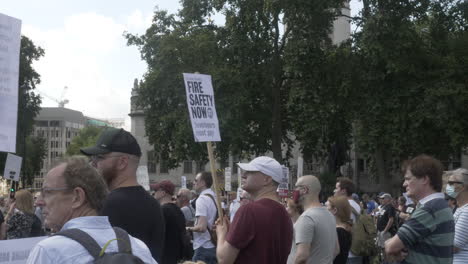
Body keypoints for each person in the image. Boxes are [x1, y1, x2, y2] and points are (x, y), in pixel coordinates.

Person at [26, 156, 157, 264]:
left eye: (47, 192)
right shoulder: (138, 247)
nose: (39, 202)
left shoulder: (49, 251)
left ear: (77, 197)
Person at [81, 128, 165, 262]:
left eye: (99, 157)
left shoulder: (110, 204)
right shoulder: (153, 203)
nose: (93, 163)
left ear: (122, 162)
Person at [216, 156, 293, 264]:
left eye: (250, 171)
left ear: (267, 179)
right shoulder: (284, 213)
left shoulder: (249, 210)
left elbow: (224, 259)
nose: (243, 175)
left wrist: (221, 234)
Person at [385, 155, 454, 264]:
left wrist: (389, 243)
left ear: (424, 179)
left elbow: (391, 247)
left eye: (408, 178)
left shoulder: (430, 209)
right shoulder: (440, 205)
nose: (404, 184)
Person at [288, 175, 338, 264]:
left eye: (296, 187)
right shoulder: (329, 215)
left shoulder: (306, 218)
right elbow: (336, 250)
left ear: (304, 190)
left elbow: (302, 257)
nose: (294, 191)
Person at [186, 172, 217, 264]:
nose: (193, 182)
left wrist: (187, 228)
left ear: (203, 183)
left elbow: (201, 227)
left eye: (196, 180)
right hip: (213, 244)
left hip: (203, 247)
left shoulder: (202, 199)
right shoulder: (214, 196)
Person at [153, 180, 187, 264]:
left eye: (156, 190)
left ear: (163, 192)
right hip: (176, 256)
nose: (154, 193)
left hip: (165, 256)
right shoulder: (178, 210)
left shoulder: (162, 210)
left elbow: (157, 235)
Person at [334, 177, 362, 264]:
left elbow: (343, 227)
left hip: (347, 252)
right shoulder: (356, 205)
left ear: (344, 191)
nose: (334, 190)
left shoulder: (344, 205)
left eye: (337, 188)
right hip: (356, 249)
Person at [444, 168, 468, 263]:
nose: (447, 186)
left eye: (451, 183)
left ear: (463, 187)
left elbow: (454, 245)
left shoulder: (466, 211)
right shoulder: (460, 208)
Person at [327, 196, 353, 264]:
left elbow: (333, 253)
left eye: (327, 208)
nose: (325, 211)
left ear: (334, 210)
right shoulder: (345, 228)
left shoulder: (339, 231)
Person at [376, 193, 396, 262]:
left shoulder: (390, 207)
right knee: (382, 248)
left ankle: (389, 262)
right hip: (380, 231)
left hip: (386, 232)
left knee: (387, 249)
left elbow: (391, 220)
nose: (381, 200)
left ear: (388, 199)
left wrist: (384, 231)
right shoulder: (383, 207)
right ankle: (385, 262)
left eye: (383, 198)